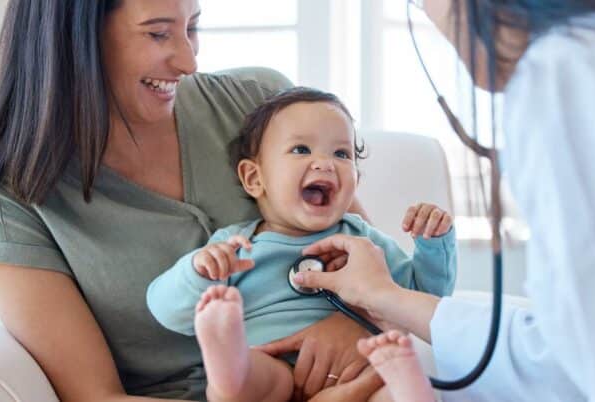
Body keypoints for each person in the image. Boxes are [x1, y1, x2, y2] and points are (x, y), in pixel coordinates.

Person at [290, 1, 595, 401]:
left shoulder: (573, 75)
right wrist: (383, 296)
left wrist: (393, 286)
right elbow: (575, 352)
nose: (437, 26)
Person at [0, 1, 381, 401]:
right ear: (76, 39)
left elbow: (375, 262)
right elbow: (97, 397)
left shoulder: (262, 102)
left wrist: (355, 325)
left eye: (192, 27)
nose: (189, 62)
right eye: (159, 33)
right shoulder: (7, 200)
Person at [146, 87, 457, 402]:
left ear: (356, 181)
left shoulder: (362, 241)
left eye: (341, 154)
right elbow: (165, 309)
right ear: (254, 178)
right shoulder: (236, 246)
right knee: (251, 377)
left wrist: (432, 243)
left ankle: (408, 389)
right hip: (269, 363)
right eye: (301, 149)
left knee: (386, 392)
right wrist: (200, 271)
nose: (324, 163)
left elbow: (419, 299)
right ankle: (226, 355)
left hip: (357, 368)